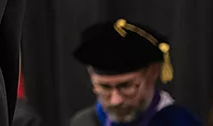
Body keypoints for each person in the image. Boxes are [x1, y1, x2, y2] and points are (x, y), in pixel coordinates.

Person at [70, 19, 202, 126]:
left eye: (126, 86)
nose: (116, 101)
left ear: (153, 72)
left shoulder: (179, 122)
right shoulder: (84, 122)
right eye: (105, 87)